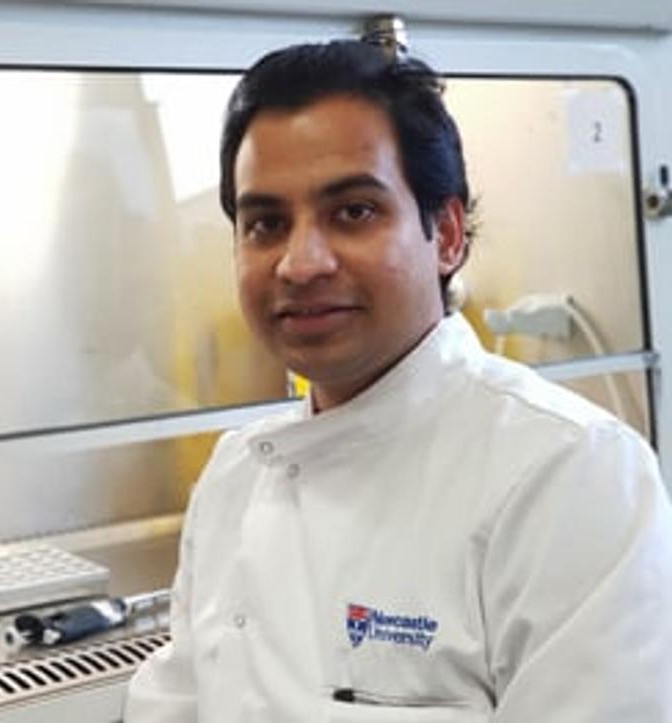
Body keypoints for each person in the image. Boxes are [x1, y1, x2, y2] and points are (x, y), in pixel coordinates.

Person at [124, 40, 672, 721]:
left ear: (445, 234)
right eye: (266, 223)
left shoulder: (571, 475)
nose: (300, 262)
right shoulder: (235, 477)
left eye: (352, 211)